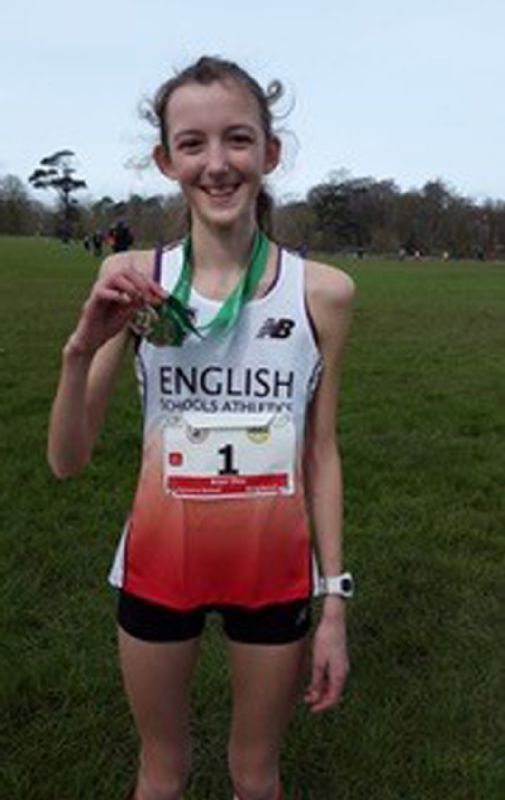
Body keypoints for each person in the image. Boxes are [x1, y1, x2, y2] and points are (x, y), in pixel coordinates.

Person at [48, 56, 355, 800]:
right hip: (160, 567)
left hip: (272, 572)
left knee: (254, 776)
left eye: (237, 140)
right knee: (163, 772)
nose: (217, 164)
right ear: (166, 160)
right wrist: (81, 349)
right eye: (193, 144)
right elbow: (67, 460)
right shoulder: (134, 278)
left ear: (269, 153)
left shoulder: (325, 293)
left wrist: (334, 603)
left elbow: (320, 450)